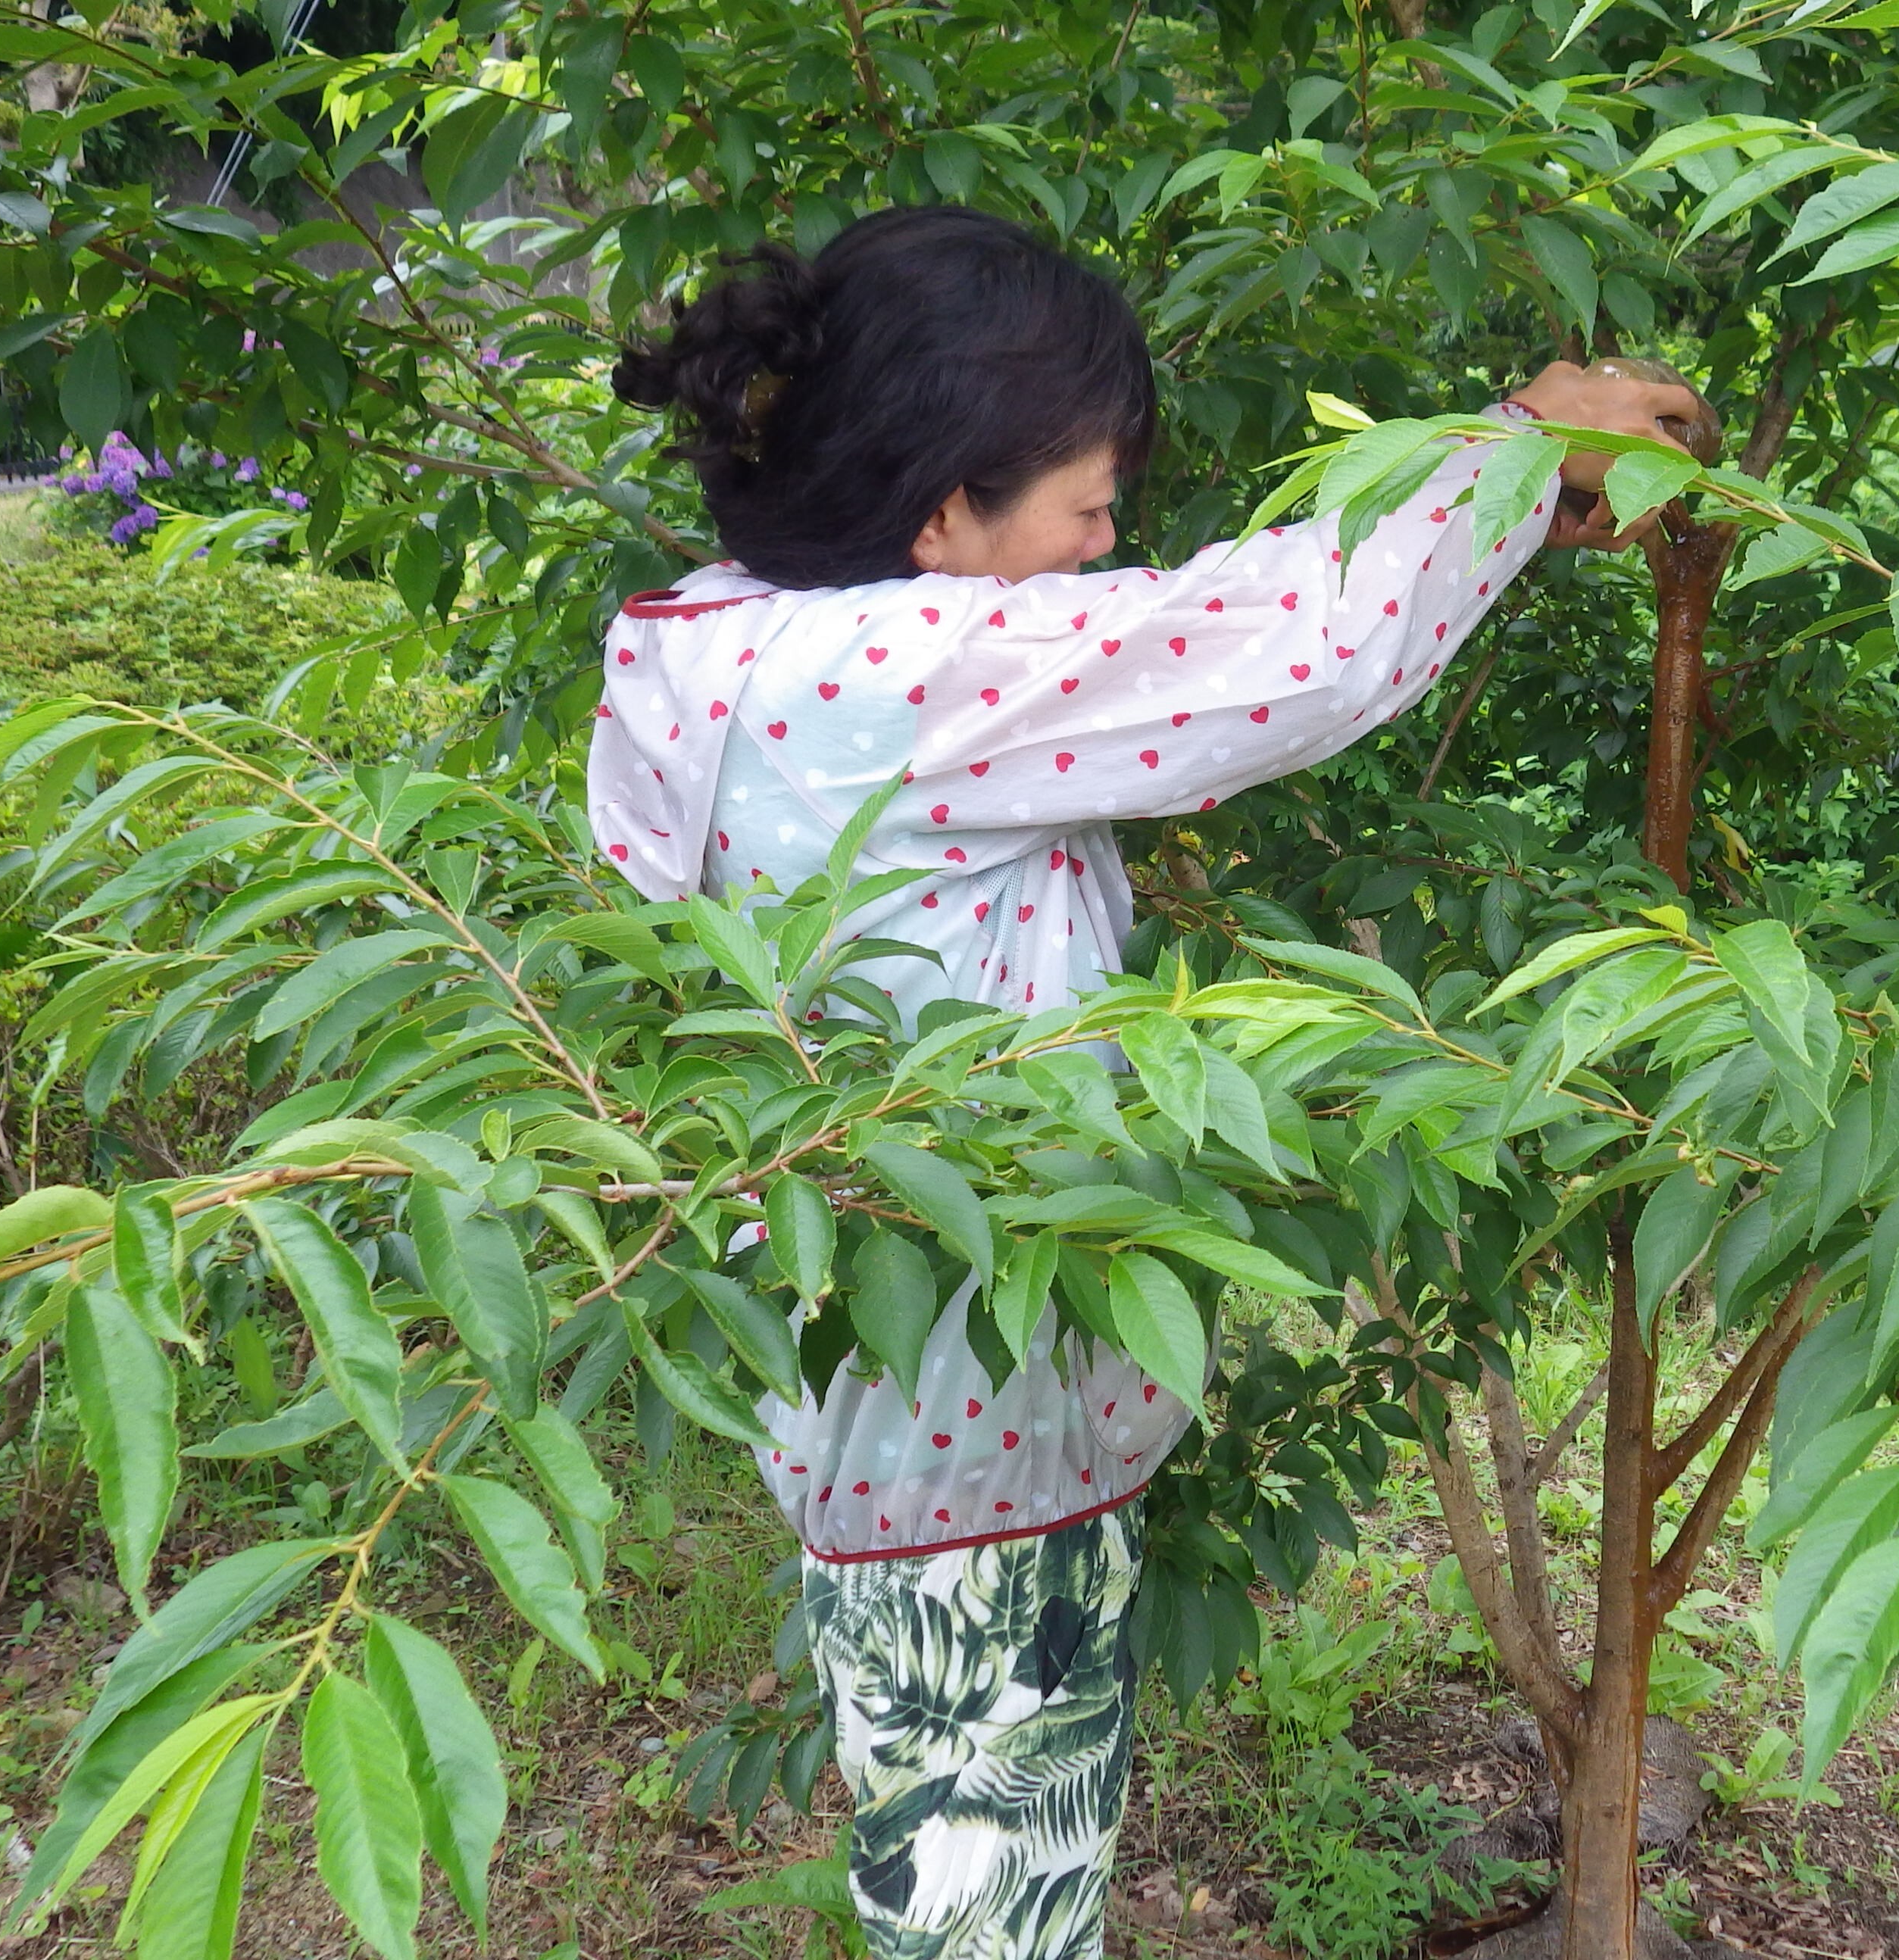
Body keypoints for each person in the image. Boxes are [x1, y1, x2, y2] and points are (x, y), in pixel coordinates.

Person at [587, 204, 1696, 1960]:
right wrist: (1520, 447)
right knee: (993, 1913)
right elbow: (1279, 646)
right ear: (941, 513)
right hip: (968, 1451)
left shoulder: (715, 650)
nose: (1115, 548)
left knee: (988, 1887)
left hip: (893, 1420)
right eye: (1087, 512)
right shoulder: (893, 676)